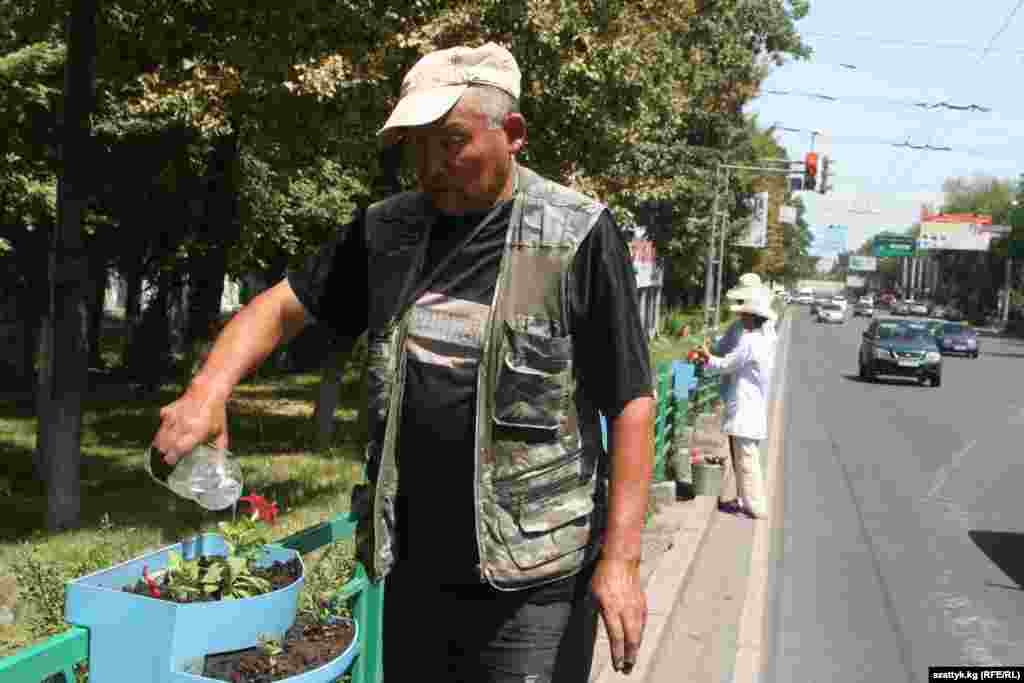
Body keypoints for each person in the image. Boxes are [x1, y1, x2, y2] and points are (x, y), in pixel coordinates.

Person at [151, 43, 655, 682]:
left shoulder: (577, 234)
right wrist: (207, 391)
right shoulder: (386, 233)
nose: (431, 166)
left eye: (451, 141)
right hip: (416, 566)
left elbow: (631, 401)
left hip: (535, 576)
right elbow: (279, 309)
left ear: (514, 134)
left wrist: (622, 562)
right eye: (416, 145)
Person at [698, 293, 777, 519]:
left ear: (752, 318)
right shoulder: (763, 340)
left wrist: (708, 357)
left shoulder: (750, 341)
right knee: (743, 459)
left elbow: (728, 363)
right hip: (751, 407)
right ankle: (746, 502)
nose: (741, 318)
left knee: (747, 461)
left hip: (746, 408)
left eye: (744, 315)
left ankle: (755, 507)